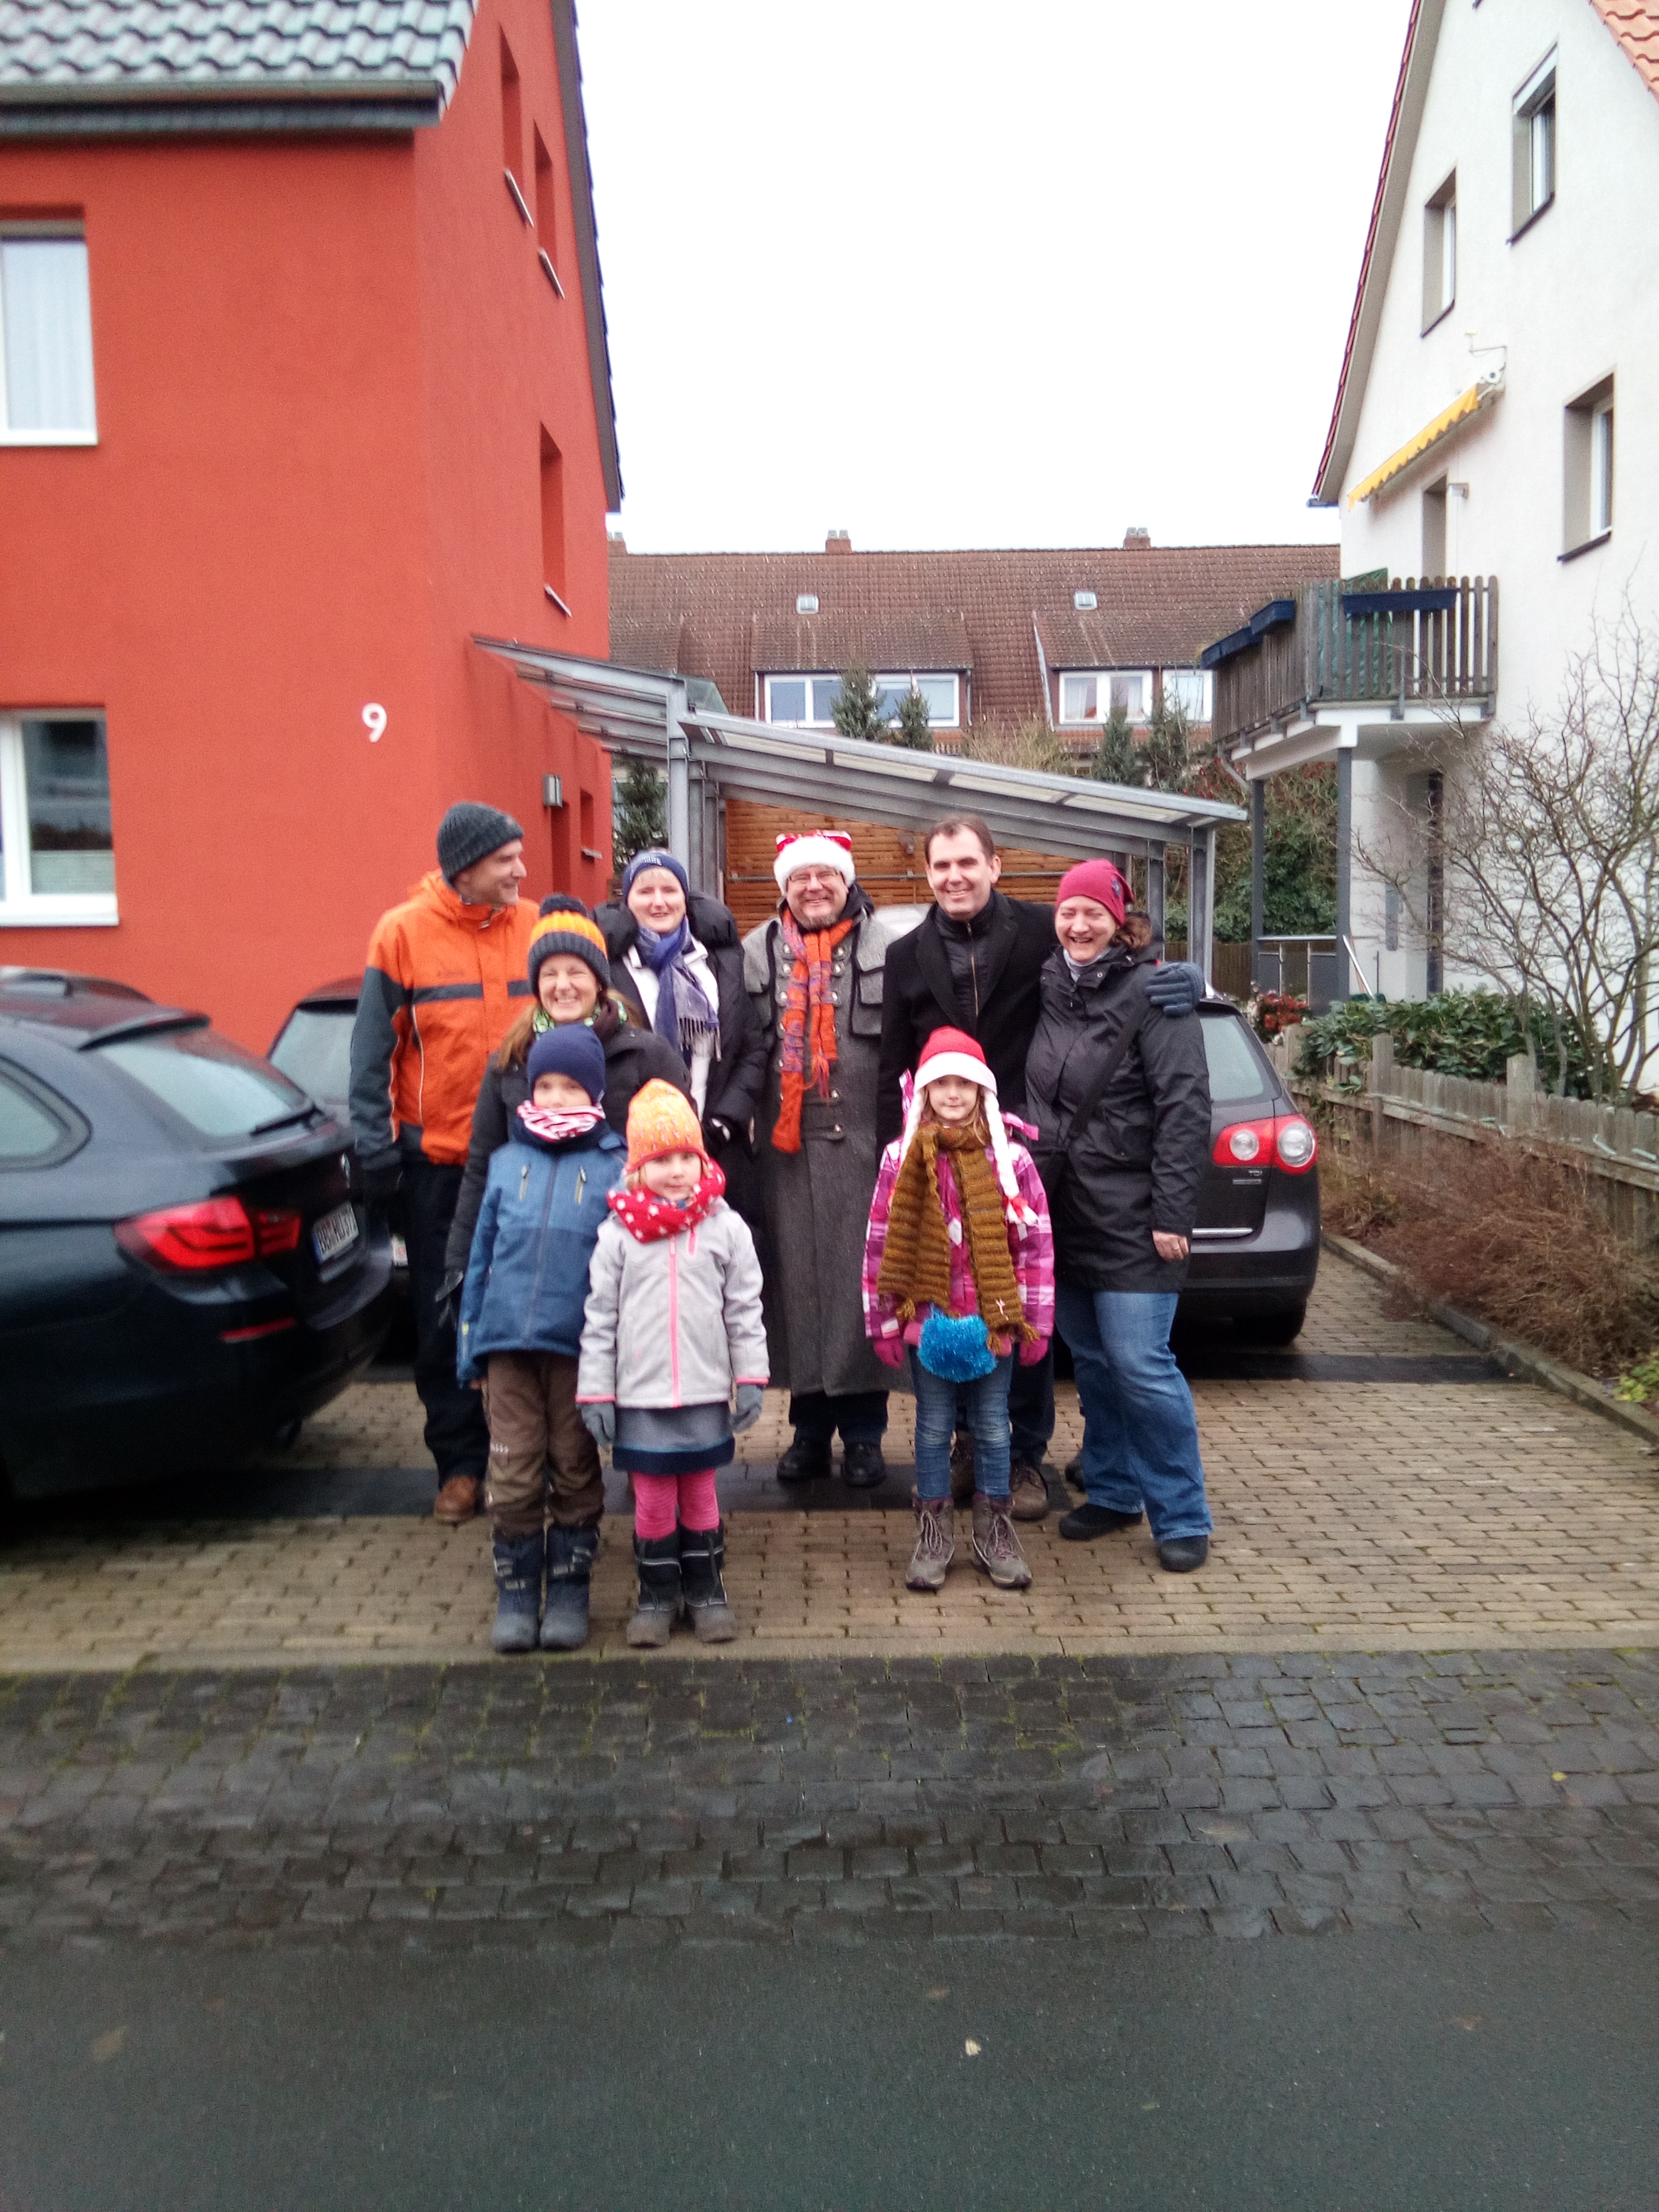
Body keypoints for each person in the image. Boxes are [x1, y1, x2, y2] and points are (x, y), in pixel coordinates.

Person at [877, 815, 1202, 1521]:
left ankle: (1026, 1455)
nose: (955, 876)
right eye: (942, 865)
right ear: (928, 873)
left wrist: (1181, 974)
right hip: (958, 1169)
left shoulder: (1041, 933)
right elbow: (892, 1063)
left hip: (1024, 1165)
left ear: (995, 866)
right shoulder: (906, 955)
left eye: (968, 862)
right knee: (963, 1310)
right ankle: (975, 1449)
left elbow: (1117, 958)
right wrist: (895, 1165)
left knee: (1025, 1317)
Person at [1024, 859, 1214, 1573]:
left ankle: (1182, 1514)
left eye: (1094, 913)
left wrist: (1173, 1214)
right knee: (1096, 1364)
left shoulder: (1156, 993)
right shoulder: (1048, 984)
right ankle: (1112, 1489)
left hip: (1136, 1217)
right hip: (1063, 1213)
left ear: (1119, 920)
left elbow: (1185, 1108)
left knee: (1140, 1364)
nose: (1079, 925)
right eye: (1069, 912)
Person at [349, 802, 536, 1526]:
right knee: (444, 1316)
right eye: (506, 860)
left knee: (531, 1312)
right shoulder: (400, 934)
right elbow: (371, 1055)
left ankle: (528, 1461)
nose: (520, 870)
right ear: (467, 867)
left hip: (530, 1159)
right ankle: (459, 1466)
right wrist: (375, 1152)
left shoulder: (537, 927)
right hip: (440, 1166)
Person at [742, 831, 914, 1487]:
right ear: (784, 887)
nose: (814, 887)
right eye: (800, 877)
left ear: (847, 881)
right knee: (795, 1294)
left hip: (867, 1155)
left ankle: (865, 1436)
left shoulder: (892, 949)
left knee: (860, 1294)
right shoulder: (754, 953)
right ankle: (809, 1431)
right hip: (783, 1158)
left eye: (827, 876)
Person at [862, 1029, 1053, 1594]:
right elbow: (879, 1242)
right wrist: (884, 1322)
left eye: (963, 1083)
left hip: (994, 1321)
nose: (952, 1093)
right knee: (931, 1427)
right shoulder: (901, 1158)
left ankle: (995, 1530)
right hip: (928, 1322)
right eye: (941, 1082)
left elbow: (1035, 1247)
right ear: (924, 1090)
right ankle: (933, 1533)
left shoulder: (1011, 1160)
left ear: (981, 1090)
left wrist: (1037, 1324)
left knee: (993, 1427)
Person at [577, 1082, 767, 1647]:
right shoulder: (616, 1238)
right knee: (655, 1501)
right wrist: (596, 1392)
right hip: (641, 1399)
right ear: (638, 1169)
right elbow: (600, 1319)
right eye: (662, 1160)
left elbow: (745, 1309)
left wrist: (750, 1377)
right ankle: (657, 1595)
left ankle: (707, 1591)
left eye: (687, 1156)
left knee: (702, 1496)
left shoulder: (726, 1228)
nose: (678, 1170)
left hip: (704, 1394)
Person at [456, 1025, 625, 1652]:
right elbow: (480, 1258)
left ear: (595, 1092)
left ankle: (570, 1589)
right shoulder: (506, 1162)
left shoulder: (614, 1166)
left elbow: (625, 1270)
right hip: (506, 1347)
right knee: (513, 1469)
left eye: (570, 1086)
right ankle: (518, 1591)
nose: (555, 1098)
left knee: (575, 1465)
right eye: (545, 1085)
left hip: (577, 1348)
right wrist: (470, 1346)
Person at [443, 895, 690, 1294]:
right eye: (549, 974)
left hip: (627, 1265)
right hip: (532, 1271)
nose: (562, 986)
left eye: (576, 972)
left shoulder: (646, 1056)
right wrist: (460, 1262)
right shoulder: (510, 1061)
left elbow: (683, 1156)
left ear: (599, 980)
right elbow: (481, 1168)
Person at [594, 848, 768, 1222]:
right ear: (627, 901)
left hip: (718, 1146)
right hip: (639, 1158)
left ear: (685, 899)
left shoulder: (719, 960)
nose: (659, 902)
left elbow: (751, 1049)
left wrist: (723, 1124)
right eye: (645, 891)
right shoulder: (608, 970)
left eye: (670, 890)